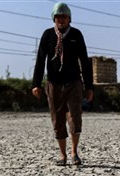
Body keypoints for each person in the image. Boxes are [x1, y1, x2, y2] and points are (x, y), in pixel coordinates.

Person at [32, 2, 94, 166]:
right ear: (54, 18)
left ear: (69, 19)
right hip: (54, 84)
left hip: (74, 83)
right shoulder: (47, 36)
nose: (62, 19)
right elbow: (40, 60)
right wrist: (36, 84)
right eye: (59, 16)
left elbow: (84, 62)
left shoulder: (76, 35)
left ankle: (74, 152)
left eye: (64, 16)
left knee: (74, 116)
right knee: (57, 119)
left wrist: (89, 87)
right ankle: (62, 155)